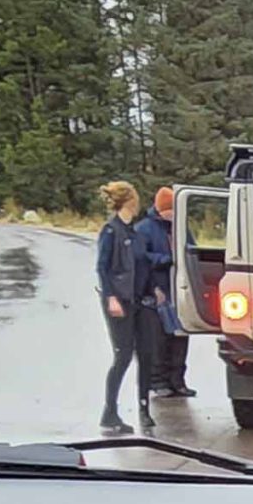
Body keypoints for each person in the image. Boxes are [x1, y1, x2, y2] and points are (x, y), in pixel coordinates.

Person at [93, 180, 151, 434]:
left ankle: (143, 407)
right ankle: (110, 410)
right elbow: (102, 267)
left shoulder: (134, 233)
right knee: (123, 355)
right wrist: (111, 297)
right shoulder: (110, 231)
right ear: (129, 201)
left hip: (138, 299)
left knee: (146, 354)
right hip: (119, 300)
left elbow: (142, 263)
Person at [134, 187, 194, 400]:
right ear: (160, 209)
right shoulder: (143, 230)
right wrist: (164, 261)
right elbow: (139, 260)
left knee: (180, 337)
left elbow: (191, 251)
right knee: (158, 341)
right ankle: (158, 382)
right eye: (169, 210)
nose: (172, 215)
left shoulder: (180, 229)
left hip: (179, 291)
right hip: (156, 292)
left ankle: (178, 381)